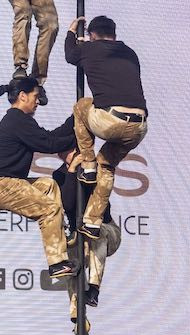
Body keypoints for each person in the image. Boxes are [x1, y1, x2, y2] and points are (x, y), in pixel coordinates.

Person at [0, 77, 79, 279]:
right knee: (49, 209)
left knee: (48, 185)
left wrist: (76, 119)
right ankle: (57, 264)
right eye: (35, 96)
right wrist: (81, 137)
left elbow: (50, 137)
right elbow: (49, 144)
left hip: (7, 183)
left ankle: (62, 235)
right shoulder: (17, 120)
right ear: (22, 96)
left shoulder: (20, 120)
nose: (38, 101)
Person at [63, 15, 147, 239]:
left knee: (81, 106)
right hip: (138, 126)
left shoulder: (90, 49)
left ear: (92, 35)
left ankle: (88, 165)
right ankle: (92, 221)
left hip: (111, 120)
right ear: (114, 35)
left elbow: (70, 55)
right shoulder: (130, 53)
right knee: (107, 166)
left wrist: (71, 33)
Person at [52, 149, 122, 322]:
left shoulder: (94, 168)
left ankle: (93, 289)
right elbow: (68, 204)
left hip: (105, 228)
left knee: (96, 232)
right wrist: (71, 171)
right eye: (64, 152)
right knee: (70, 259)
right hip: (79, 234)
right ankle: (77, 312)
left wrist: (86, 171)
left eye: (70, 150)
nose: (68, 154)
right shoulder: (59, 175)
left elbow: (103, 205)